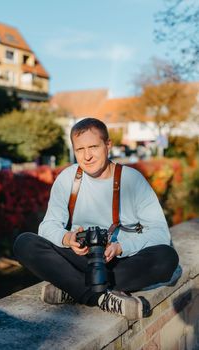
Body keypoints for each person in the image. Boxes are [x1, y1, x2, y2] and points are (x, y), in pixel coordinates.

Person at [13, 117, 179, 321]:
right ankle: (102, 298)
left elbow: (160, 233)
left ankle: (73, 288)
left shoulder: (132, 180)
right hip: (81, 258)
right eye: (80, 149)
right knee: (24, 243)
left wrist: (120, 247)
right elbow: (48, 226)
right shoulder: (68, 178)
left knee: (167, 258)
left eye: (93, 147)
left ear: (108, 145)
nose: (87, 156)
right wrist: (68, 238)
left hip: (118, 260)